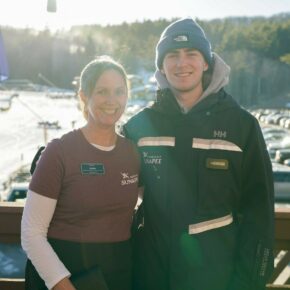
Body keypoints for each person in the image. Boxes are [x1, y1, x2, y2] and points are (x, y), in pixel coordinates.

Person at [122, 17, 275, 290]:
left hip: (216, 279)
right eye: (172, 55)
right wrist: (59, 158)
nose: (182, 63)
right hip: (151, 277)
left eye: (191, 54)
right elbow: (106, 174)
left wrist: (247, 282)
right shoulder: (139, 127)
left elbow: (258, 214)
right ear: (161, 66)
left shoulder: (241, 126)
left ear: (206, 62)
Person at [21, 56, 140, 290]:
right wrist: (63, 285)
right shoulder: (59, 152)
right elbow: (31, 234)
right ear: (84, 96)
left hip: (117, 275)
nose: (112, 100)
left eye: (119, 91)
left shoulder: (133, 153)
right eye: (102, 91)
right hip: (65, 276)